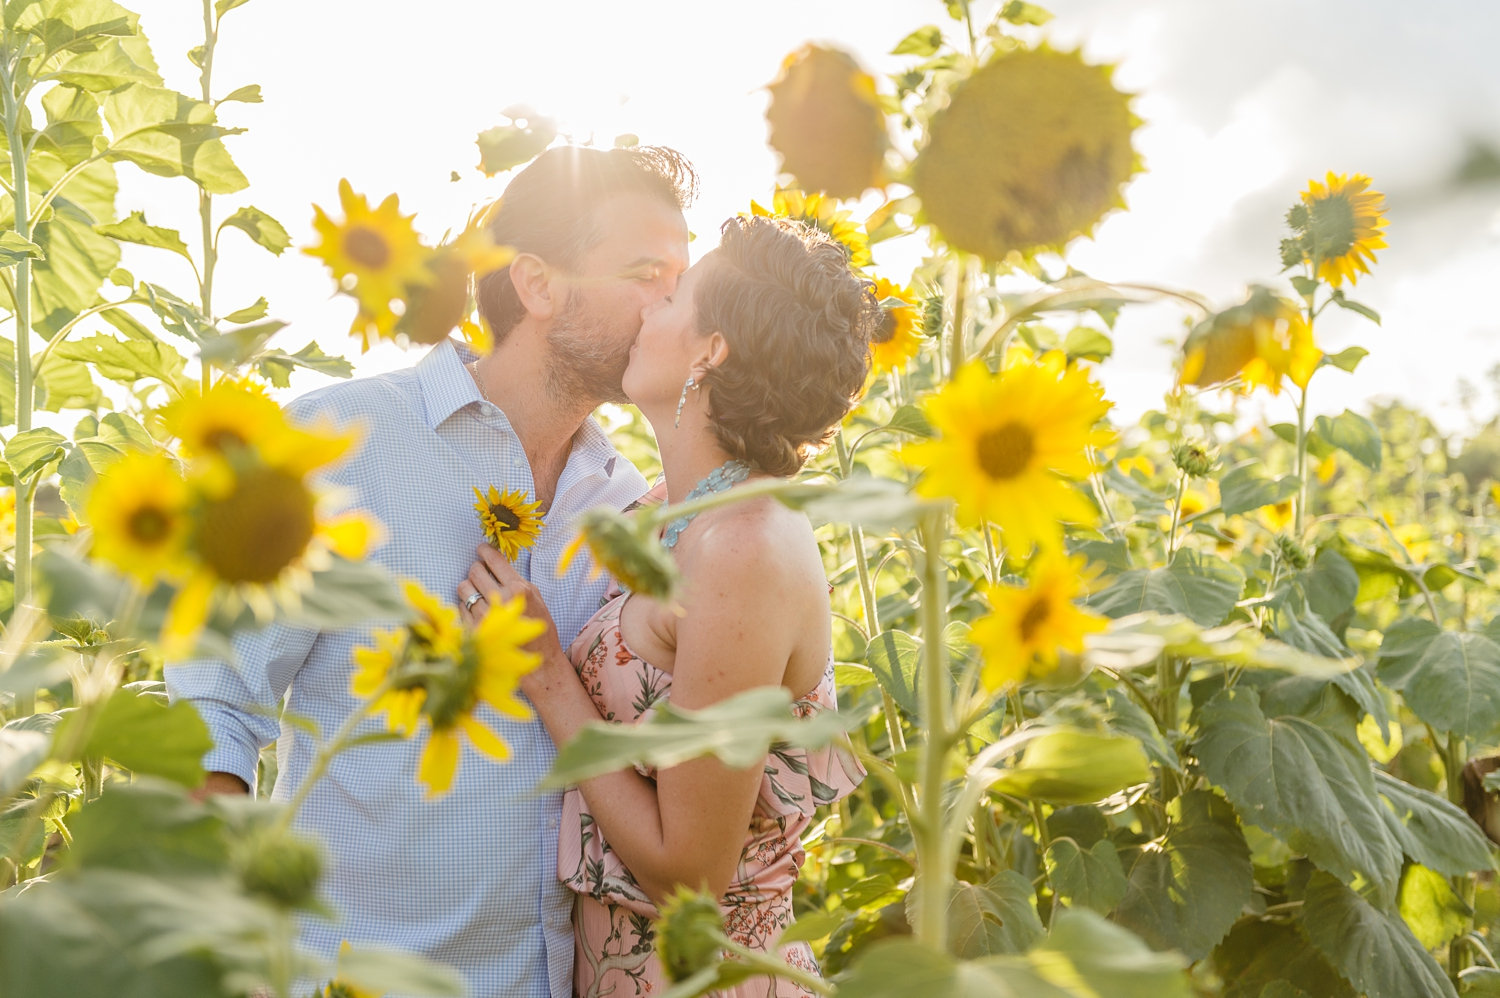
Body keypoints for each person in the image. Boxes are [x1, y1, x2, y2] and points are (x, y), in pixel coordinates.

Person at [166, 144, 697, 998]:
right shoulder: (335, 440)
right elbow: (213, 708)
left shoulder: (627, 507)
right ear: (538, 284)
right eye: (646, 271)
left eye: (682, 274)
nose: (674, 301)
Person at [457, 214, 877, 997]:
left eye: (675, 296)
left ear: (710, 351)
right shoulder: (670, 514)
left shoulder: (742, 550)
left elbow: (691, 879)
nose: (647, 307)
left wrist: (546, 674)